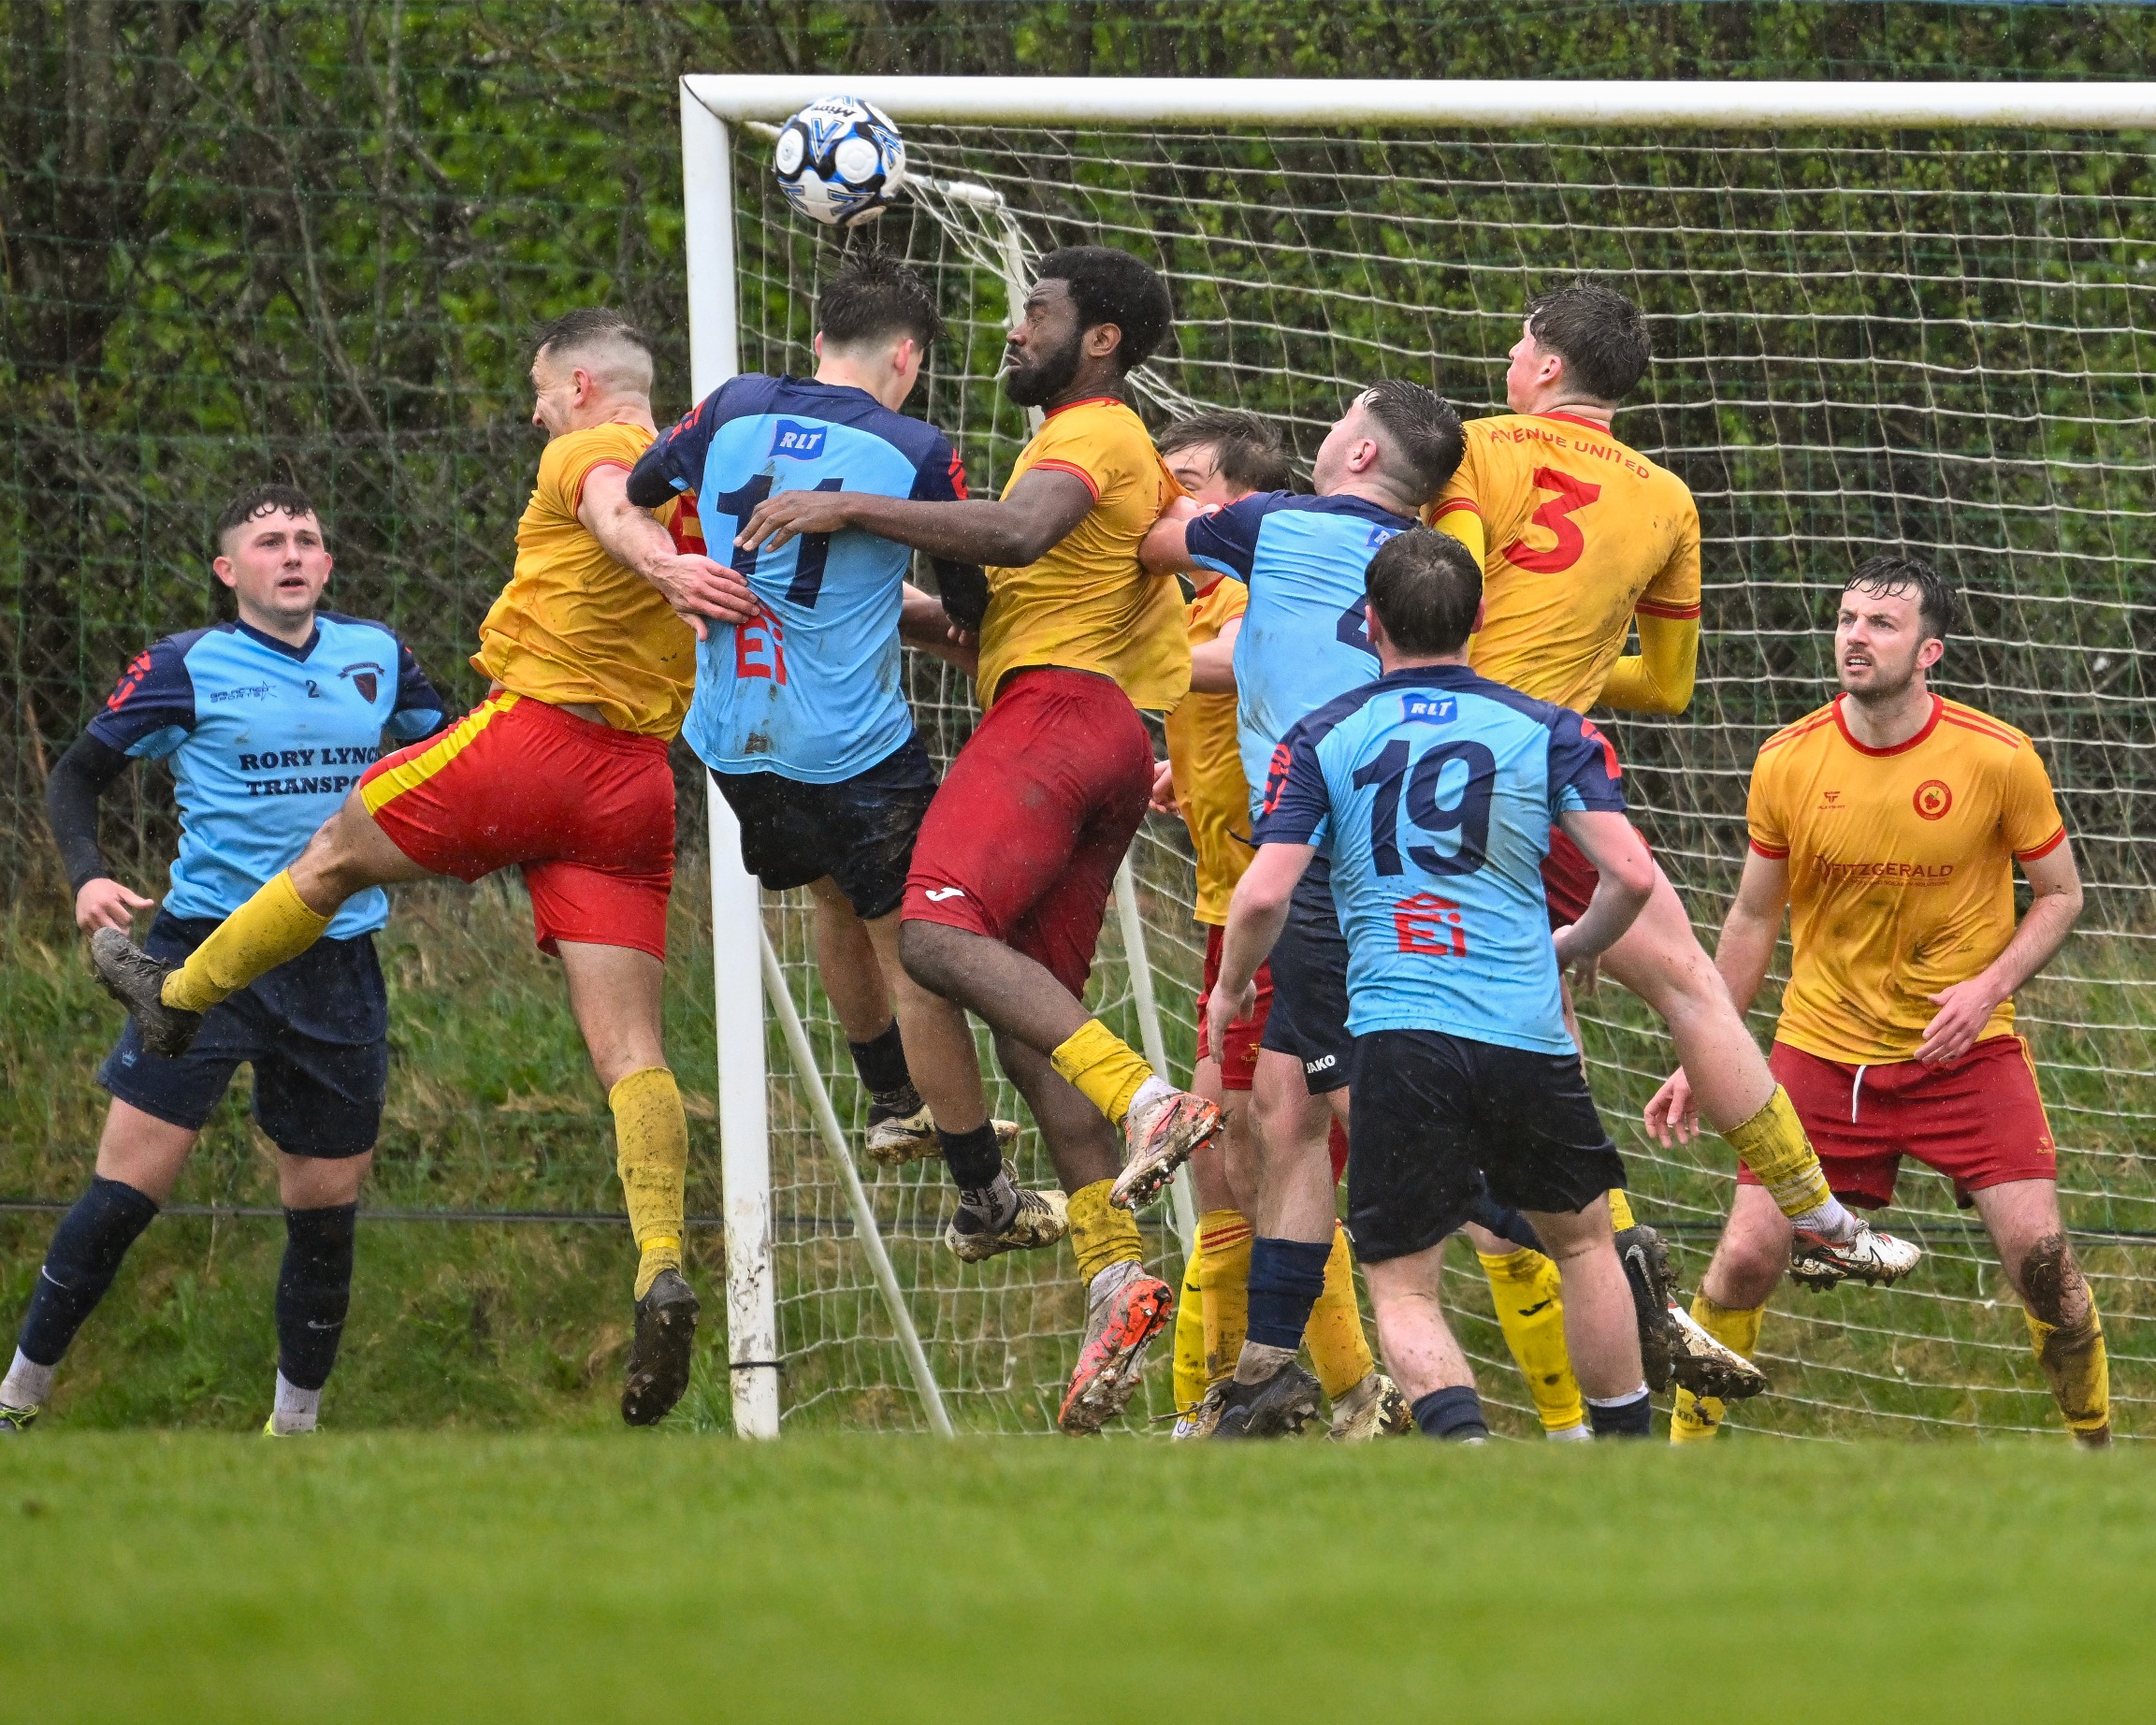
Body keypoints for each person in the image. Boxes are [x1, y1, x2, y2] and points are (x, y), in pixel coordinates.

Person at [89, 311, 756, 1428]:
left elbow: (606, 507)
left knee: (332, 855)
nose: (536, 408)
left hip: (535, 739)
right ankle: (657, 1261)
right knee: (633, 1048)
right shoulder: (719, 477)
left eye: (542, 388)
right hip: (638, 780)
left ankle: (176, 994)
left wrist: (660, 567)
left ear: (584, 384)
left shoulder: (591, 447)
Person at [732, 246, 1221, 1433]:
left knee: (937, 937)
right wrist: (871, 605)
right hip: (1084, 723)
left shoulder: (1095, 433)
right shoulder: (1084, 448)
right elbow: (1004, 604)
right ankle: (1115, 1272)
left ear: (1099, 337)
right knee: (1030, 1037)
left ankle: (1152, 1099)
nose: (1013, 328)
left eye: (1037, 311)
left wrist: (844, 502)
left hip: (1055, 718)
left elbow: (1009, 535)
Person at [1425, 282, 1917, 1432]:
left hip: (1449, 765)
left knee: (1445, 1071)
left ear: (1544, 364)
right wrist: (1574, 665)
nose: (1507, 352)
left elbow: (1437, 610)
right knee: (1687, 985)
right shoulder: (1668, 497)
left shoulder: (1474, 450)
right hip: (1564, 762)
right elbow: (1671, 684)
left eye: (1517, 337)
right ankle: (1817, 1215)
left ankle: (1597, 1293)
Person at [1, 485, 444, 1435]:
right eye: (269, 541)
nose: (291, 553)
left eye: (307, 540)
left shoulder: (380, 655)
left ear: (328, 565)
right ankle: (17, 1396)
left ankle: (294, 1430)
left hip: (335, 960)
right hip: (201, 956)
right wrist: (86, 878)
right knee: (126, 1192)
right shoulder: (185, 664)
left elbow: (450, 757)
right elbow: (76, 773)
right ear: (228, 570)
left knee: (324, 1210)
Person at [626, 253, 1035, 1260]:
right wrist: (989, 642)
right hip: (851, 749)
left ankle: (889, 1096)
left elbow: (639, 483)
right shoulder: (914, 445)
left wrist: (675, 563)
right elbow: (969, 585)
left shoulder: (728, 405)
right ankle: (982, 1189)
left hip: (730, 737)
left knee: (826, 899)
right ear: (907, 356)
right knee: (918, 953)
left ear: (817, 342)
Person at [1208, 528, 1658, 1440]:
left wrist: (1231, 986)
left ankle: (1470, 1454)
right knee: (1582, 1245)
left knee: (1403, 1280)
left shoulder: (1322, 734)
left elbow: (1263, 891)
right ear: (1480, 619)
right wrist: (1570, 944)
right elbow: (1635, 877)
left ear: (1367, 624)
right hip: (1526, 1033)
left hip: (1399, 1036)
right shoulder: (1547, 728)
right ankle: (1627, 1456)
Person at [1649, 557, 2104, 1445]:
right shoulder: (1787, 758)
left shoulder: (1997, 757)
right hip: (1821, 1052)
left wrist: (1987, 989)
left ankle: (2099, 1454)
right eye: (1846, 618)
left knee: (2042, 1263)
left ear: (1928, 650)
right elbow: (1750, 915)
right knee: (1743, 1259)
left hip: (1962, 1053)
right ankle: (1680, 1467)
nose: (1855, 636)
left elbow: (2061, 896)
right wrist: (1704, 1047)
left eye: (1880, 624)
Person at [1138, 381, 1468, 1433]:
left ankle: (1564, 1247)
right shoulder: (1429, 565)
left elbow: (1144, 542)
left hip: (1323, 863)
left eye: (1342, 421)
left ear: (1362, 454)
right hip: (1401, 850)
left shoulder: (1272, 526)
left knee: (1358, 1115)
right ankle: (1271, 1367)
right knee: (1282, 1111)